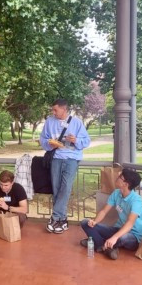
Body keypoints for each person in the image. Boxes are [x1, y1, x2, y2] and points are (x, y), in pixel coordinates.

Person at [39, 99, 90, 234]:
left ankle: (54, 218)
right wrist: (50, 144)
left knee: (65, 188)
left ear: (64, 109)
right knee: (57, 189)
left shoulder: (77, 122)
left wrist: (76, 140)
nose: (53, 112)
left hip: (72, 159)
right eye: (53, 110)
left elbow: (86, 141)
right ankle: (63, 221)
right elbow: (43, 139)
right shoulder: (49, 122)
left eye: (55, 110)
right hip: (55, 158)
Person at [80, 168, 142, 260]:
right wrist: (95, 221)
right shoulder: (116, 193)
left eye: (120, 177)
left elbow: (130, 223)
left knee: (123, 238)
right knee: (85, 223)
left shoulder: (136, 200)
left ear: (125, 184)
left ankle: (98, 243)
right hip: (118, 229)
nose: (117, 177)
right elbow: (104, 211)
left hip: (134, 235)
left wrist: (114, 237)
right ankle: (104, 247)